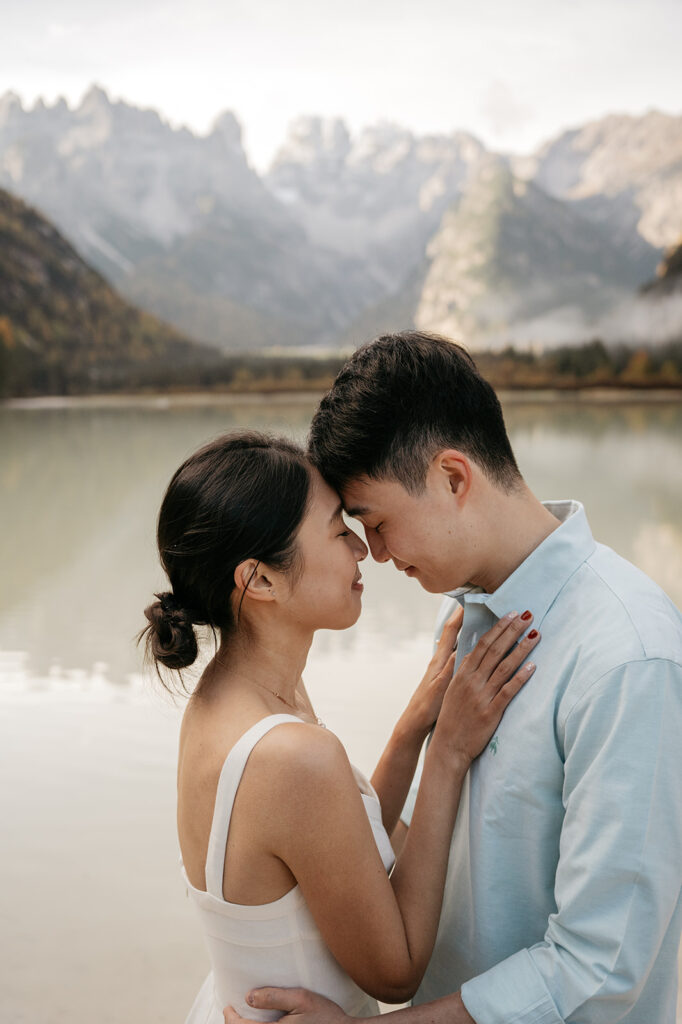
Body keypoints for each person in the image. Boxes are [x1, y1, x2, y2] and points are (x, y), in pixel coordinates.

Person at [225, 332, 682, 1024]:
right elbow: (443, 848)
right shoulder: (470, 616)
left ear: (452, 478)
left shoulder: (627, 657)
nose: (372, 555)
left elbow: (600, 968)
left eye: (376, 523)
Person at [141, 431, 539, 1023]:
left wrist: (412, 727)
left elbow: (331, 853)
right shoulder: (291, 756)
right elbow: (397, 967)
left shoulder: (225, 699)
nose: (362, 549)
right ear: (261, 581)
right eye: (336, 530)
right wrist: (448, 750)